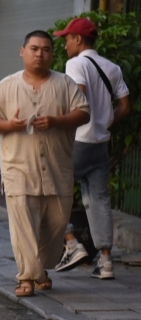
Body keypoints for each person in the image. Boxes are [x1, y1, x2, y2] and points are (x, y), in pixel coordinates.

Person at [0, 31, 90, 297]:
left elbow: (83, 112)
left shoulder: (65, 84)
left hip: (57, 168)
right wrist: (9, 125)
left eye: (45, 49)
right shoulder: (7, 85)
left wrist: (57, 121)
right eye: (33, 48)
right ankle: (27, 278)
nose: (39, 54)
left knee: (56, 225)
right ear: (22, 51)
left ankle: (40, 268)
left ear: (53, 54)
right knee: (23, 226)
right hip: (19, 168)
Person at [54, 17, 130, 279]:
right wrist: (106, 121)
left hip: (78, 140)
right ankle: (106, 261)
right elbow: (125, 106)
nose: (64, 46)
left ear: (77, 40)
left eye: (66, 40)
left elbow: (79, 98)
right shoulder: (112, 67)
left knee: (52, 187)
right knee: (99, 199)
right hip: (100, 143)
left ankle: (71, 243)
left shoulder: (75, 64)